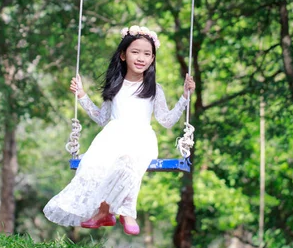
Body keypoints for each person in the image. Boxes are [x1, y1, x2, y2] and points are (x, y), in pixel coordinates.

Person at [43, 25, 196, 235]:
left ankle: (127, 211)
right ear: (123, 55)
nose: (141, 57)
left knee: (127, 160)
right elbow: (102, 118)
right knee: (96, 163)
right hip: (112, 136)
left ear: (152, 59)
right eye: (135, 52)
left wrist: (185, 97)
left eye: (147, 54)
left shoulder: (153, 89)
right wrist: (81, 96)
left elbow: (167, 121)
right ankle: (104, 211)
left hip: (141, 137)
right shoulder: (115, 86)